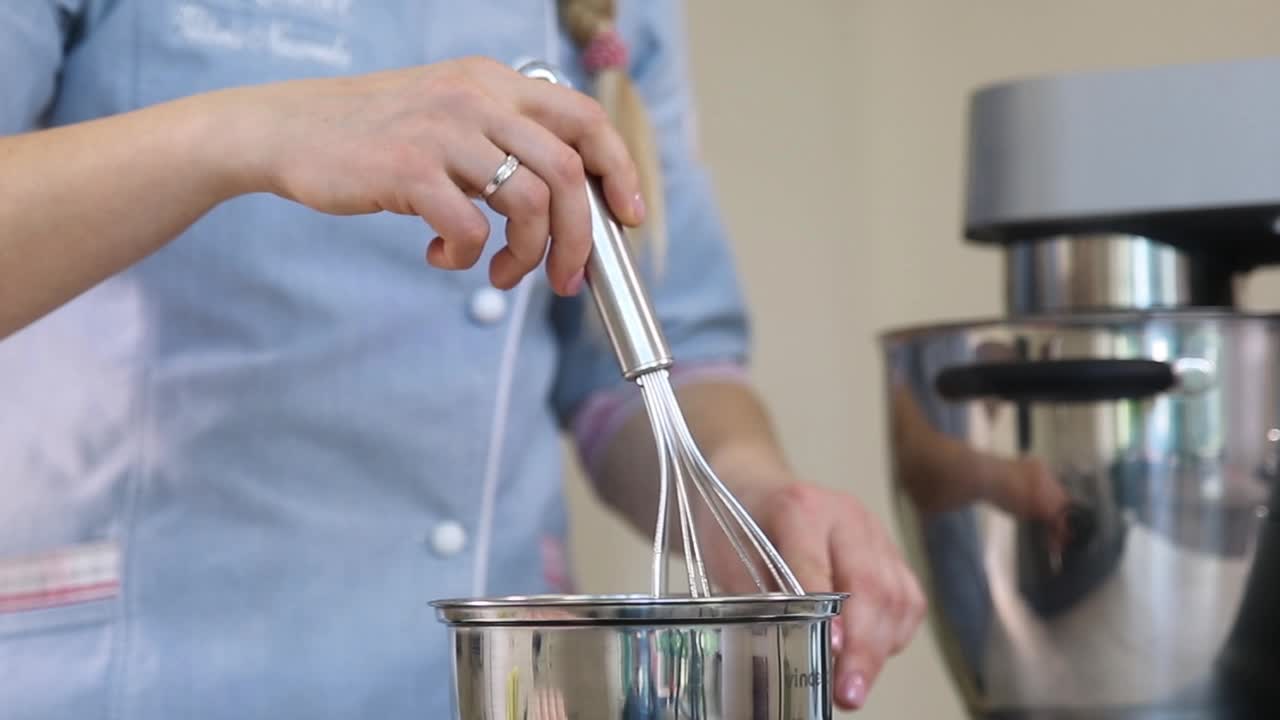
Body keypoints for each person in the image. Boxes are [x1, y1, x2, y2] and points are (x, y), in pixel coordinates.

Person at [0, 0, 924, 716]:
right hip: (145, 674)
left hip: (490, 686)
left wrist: (752, 496)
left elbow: (640, 357)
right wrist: (246, 132)